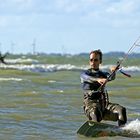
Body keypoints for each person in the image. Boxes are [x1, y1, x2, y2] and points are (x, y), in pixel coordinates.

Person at [80, 49, 127, 127]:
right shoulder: (84, 74)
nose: (93, 62)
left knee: (121, 110)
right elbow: (87, 78)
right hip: (90, 105)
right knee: (95, 111)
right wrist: (98, 79)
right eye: (91, 60)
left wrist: (113, 72)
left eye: (96, 60)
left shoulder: (103, 74)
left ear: (100, 61)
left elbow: (111, 78)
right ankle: (95, 128)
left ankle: (122, 130)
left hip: (104, 105)